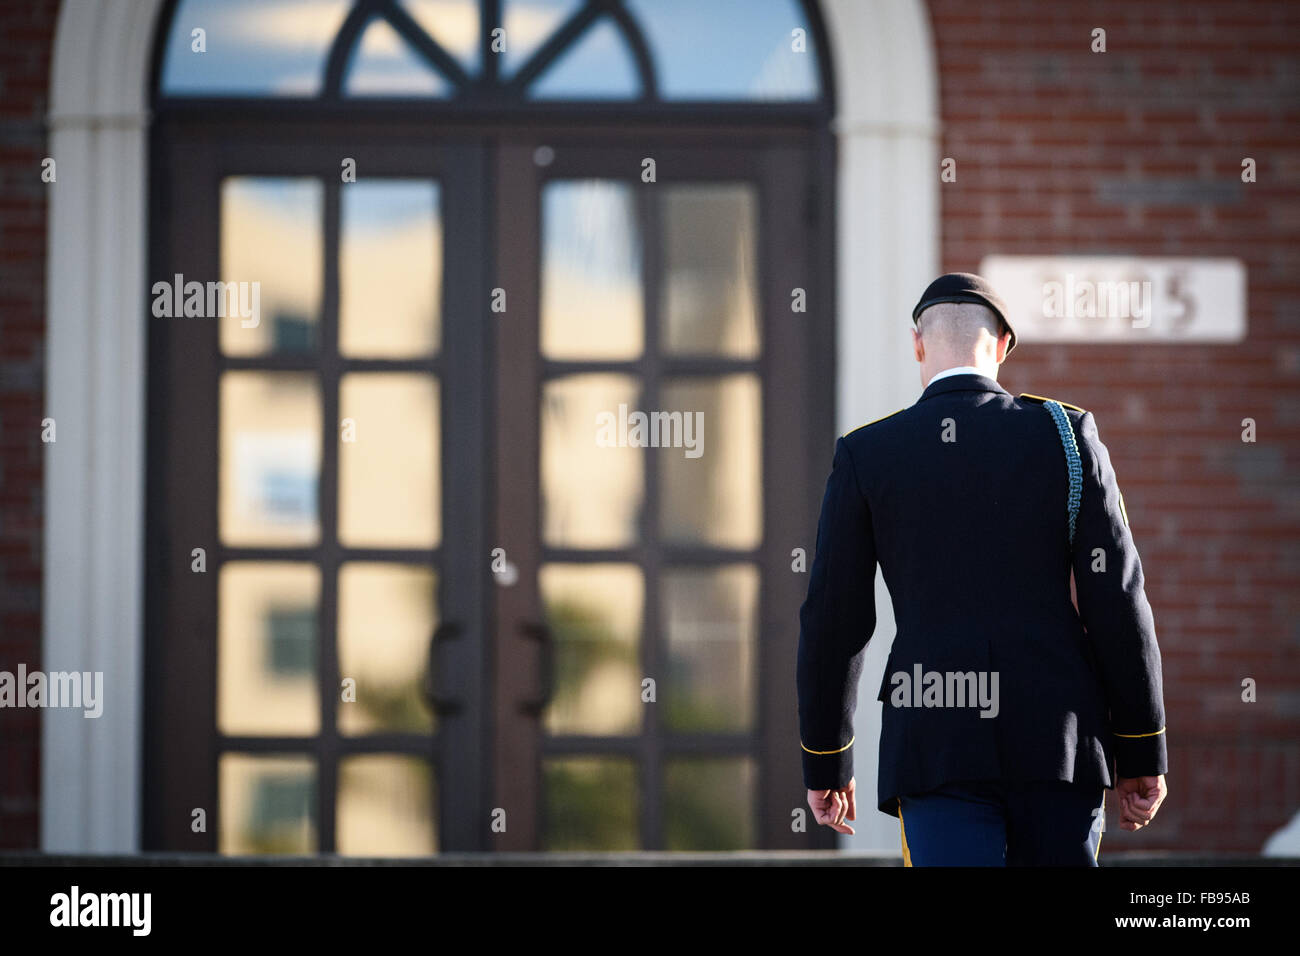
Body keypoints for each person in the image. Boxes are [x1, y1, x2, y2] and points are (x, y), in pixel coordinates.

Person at [795, 273, 1168, 866]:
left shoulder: (868, 452)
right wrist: (1141, 749)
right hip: (1058, 742)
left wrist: (828, 759)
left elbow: (832, 620)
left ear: (918, 343)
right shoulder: (1069, 436)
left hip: (935, 740)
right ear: (1002, 346)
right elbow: (1119, 600)